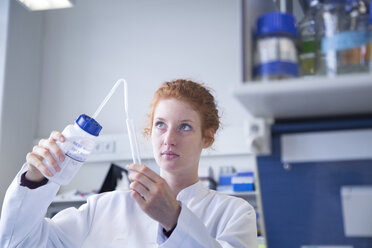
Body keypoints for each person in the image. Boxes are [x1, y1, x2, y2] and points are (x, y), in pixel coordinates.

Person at [0, 79, 257, 247]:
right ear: (149, 132)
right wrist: (34, 180)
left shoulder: (233, 213)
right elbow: (19, 242)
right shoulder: (104, 207)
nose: (169, 139)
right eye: (160, 125)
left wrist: (174, 220)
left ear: (207, 137)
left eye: (185, 127)